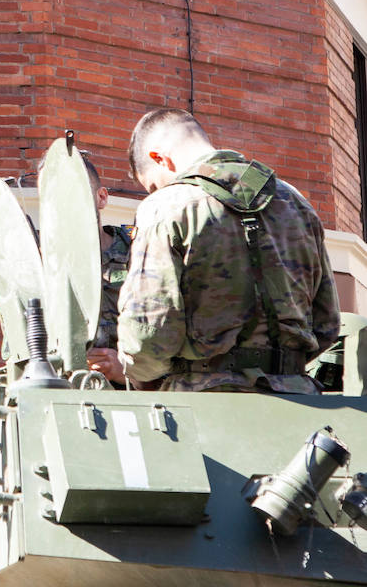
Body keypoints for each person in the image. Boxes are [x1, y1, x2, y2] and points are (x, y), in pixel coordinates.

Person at [109, 108, 339, 392]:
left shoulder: (165, 207)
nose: (155, 193)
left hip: (204, 402)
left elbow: (149, 333)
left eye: (153, 185)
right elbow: (327, 323)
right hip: (298, 396)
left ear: (159, 158)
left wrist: (139, 373)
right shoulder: (296, 202)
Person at [79, 153, 135, 379]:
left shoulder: (141, 250)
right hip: (68, 395)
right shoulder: (40, 266)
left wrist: (130, 373)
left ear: (101, 197)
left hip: (138, 396)